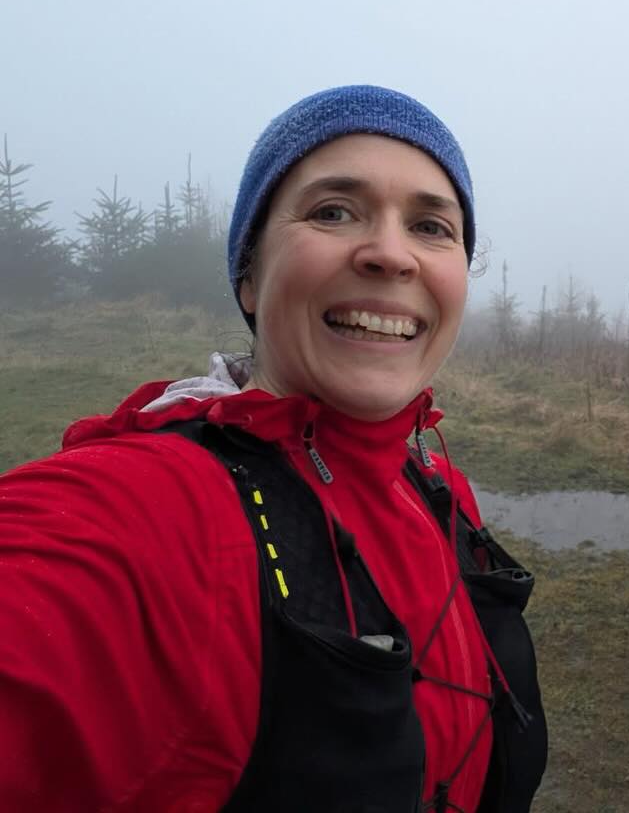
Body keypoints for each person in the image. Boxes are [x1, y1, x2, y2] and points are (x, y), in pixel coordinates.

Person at [0, 85, 546, 812]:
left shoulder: (438, 485)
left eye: (431, 226)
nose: (392, 254)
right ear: (249, 276)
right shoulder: (153, 510)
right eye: (333, 211)